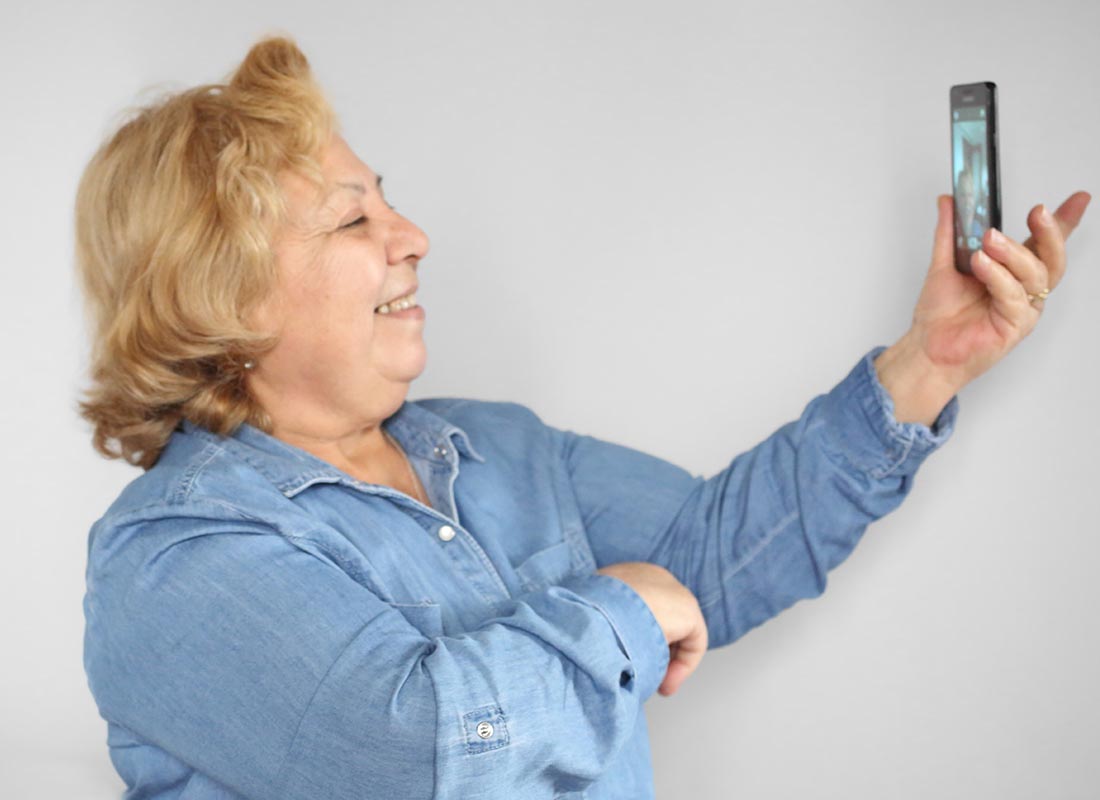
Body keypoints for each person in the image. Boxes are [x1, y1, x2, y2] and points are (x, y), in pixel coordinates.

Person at [75, 36, 1089, 800]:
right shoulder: (171, 557)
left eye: (388, 200)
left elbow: (714, 558)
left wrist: (925, 361)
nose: (413, 236)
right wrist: (626, 606)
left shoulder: (494, 445)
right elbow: (410, 749)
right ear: (226, 295)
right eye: (354, 218)